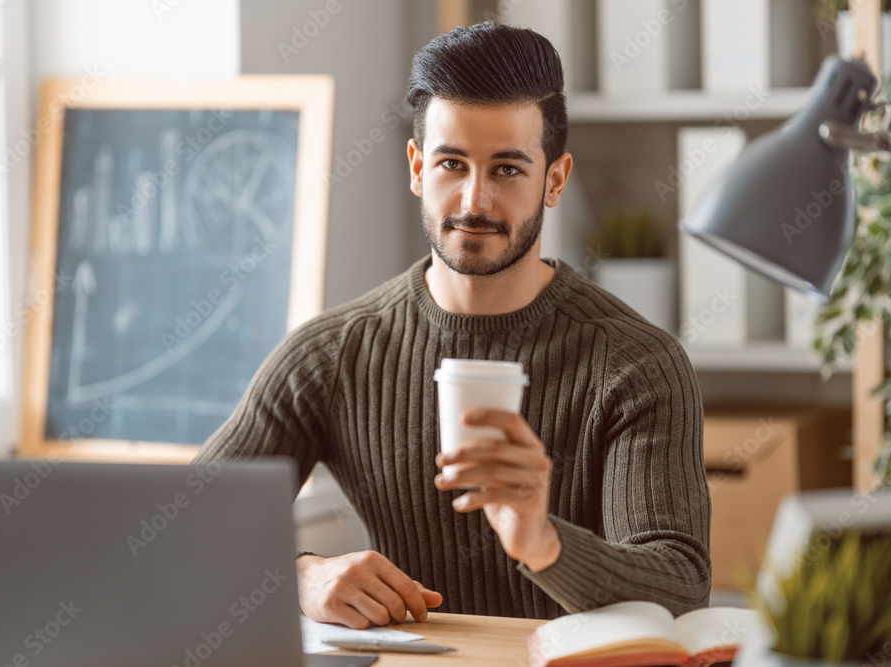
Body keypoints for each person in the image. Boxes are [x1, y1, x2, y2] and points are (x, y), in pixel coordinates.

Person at [194, 21, 710, 628]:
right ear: (417, 167)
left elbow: (680, 585)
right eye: (451, 164)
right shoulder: (330, 355)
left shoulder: (637, 365)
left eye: (507, 170)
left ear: (555, 179)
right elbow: (180, 529)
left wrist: (542, 540)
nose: (473, 202)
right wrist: (302, 575)